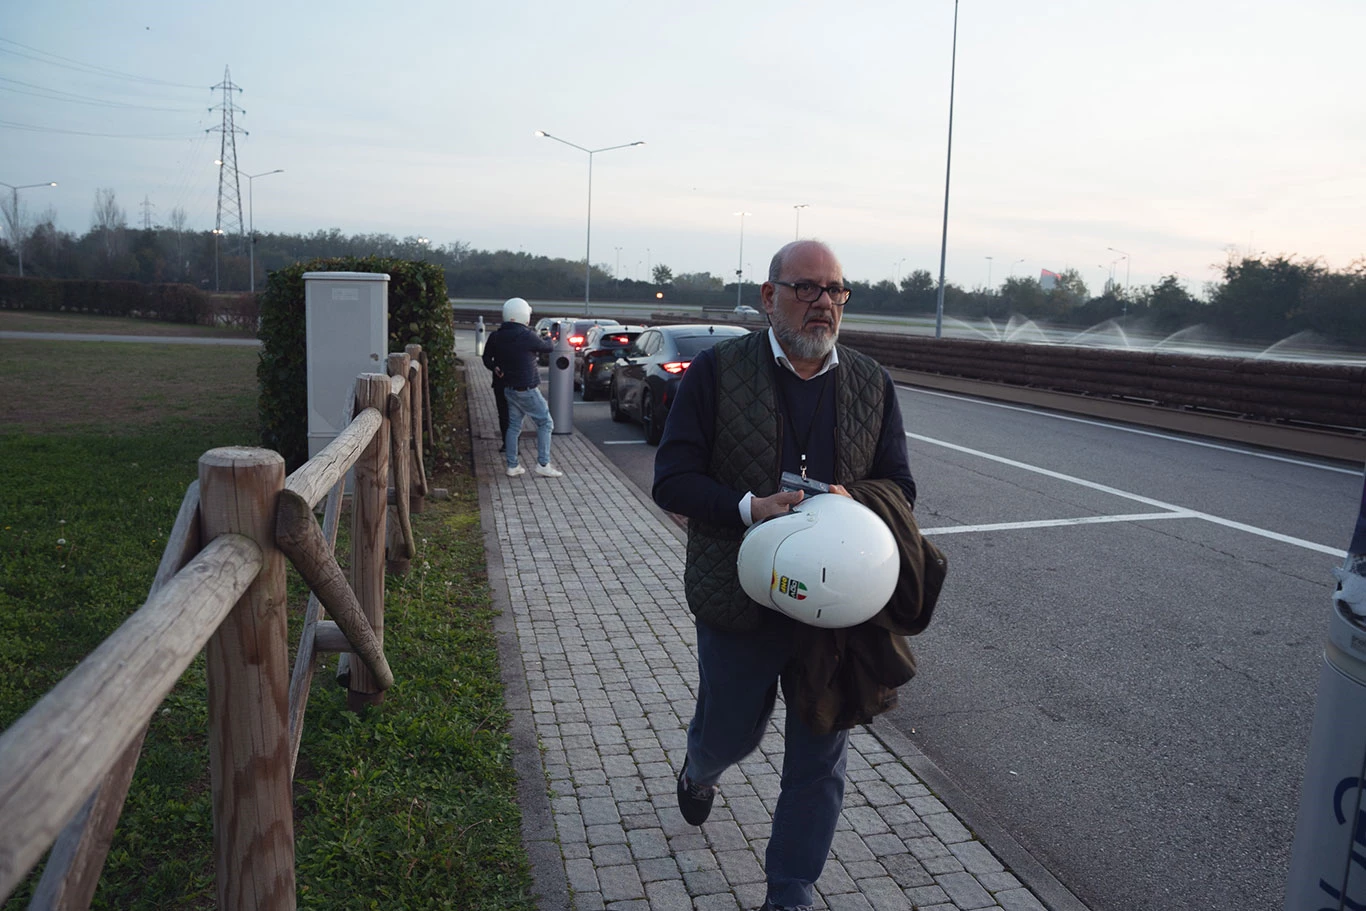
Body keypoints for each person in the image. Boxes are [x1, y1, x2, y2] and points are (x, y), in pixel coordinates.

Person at [653, 240, 920, 911]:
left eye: (835, 289)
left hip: (832, 609)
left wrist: (857, 499)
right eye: (806, 287)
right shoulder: (716, 374)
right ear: (769, 296)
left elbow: (901, 484)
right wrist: (749, 507)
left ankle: (790, 890)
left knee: (820, 758)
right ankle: (700, 767)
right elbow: (672, 479)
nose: (823, 302)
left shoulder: (870, 381)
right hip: (739, 596)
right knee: (731, 731)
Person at [481, 297, 563, 478]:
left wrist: (494, 367)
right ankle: (543, 463)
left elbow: (486, 358)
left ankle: (513, 465)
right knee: (546, 422)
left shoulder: (496, 336)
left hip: (508, 389)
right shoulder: (526, 335)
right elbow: (547, 348)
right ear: (524, 315)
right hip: (526, 389)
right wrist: (548, 336)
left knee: (513, 426)